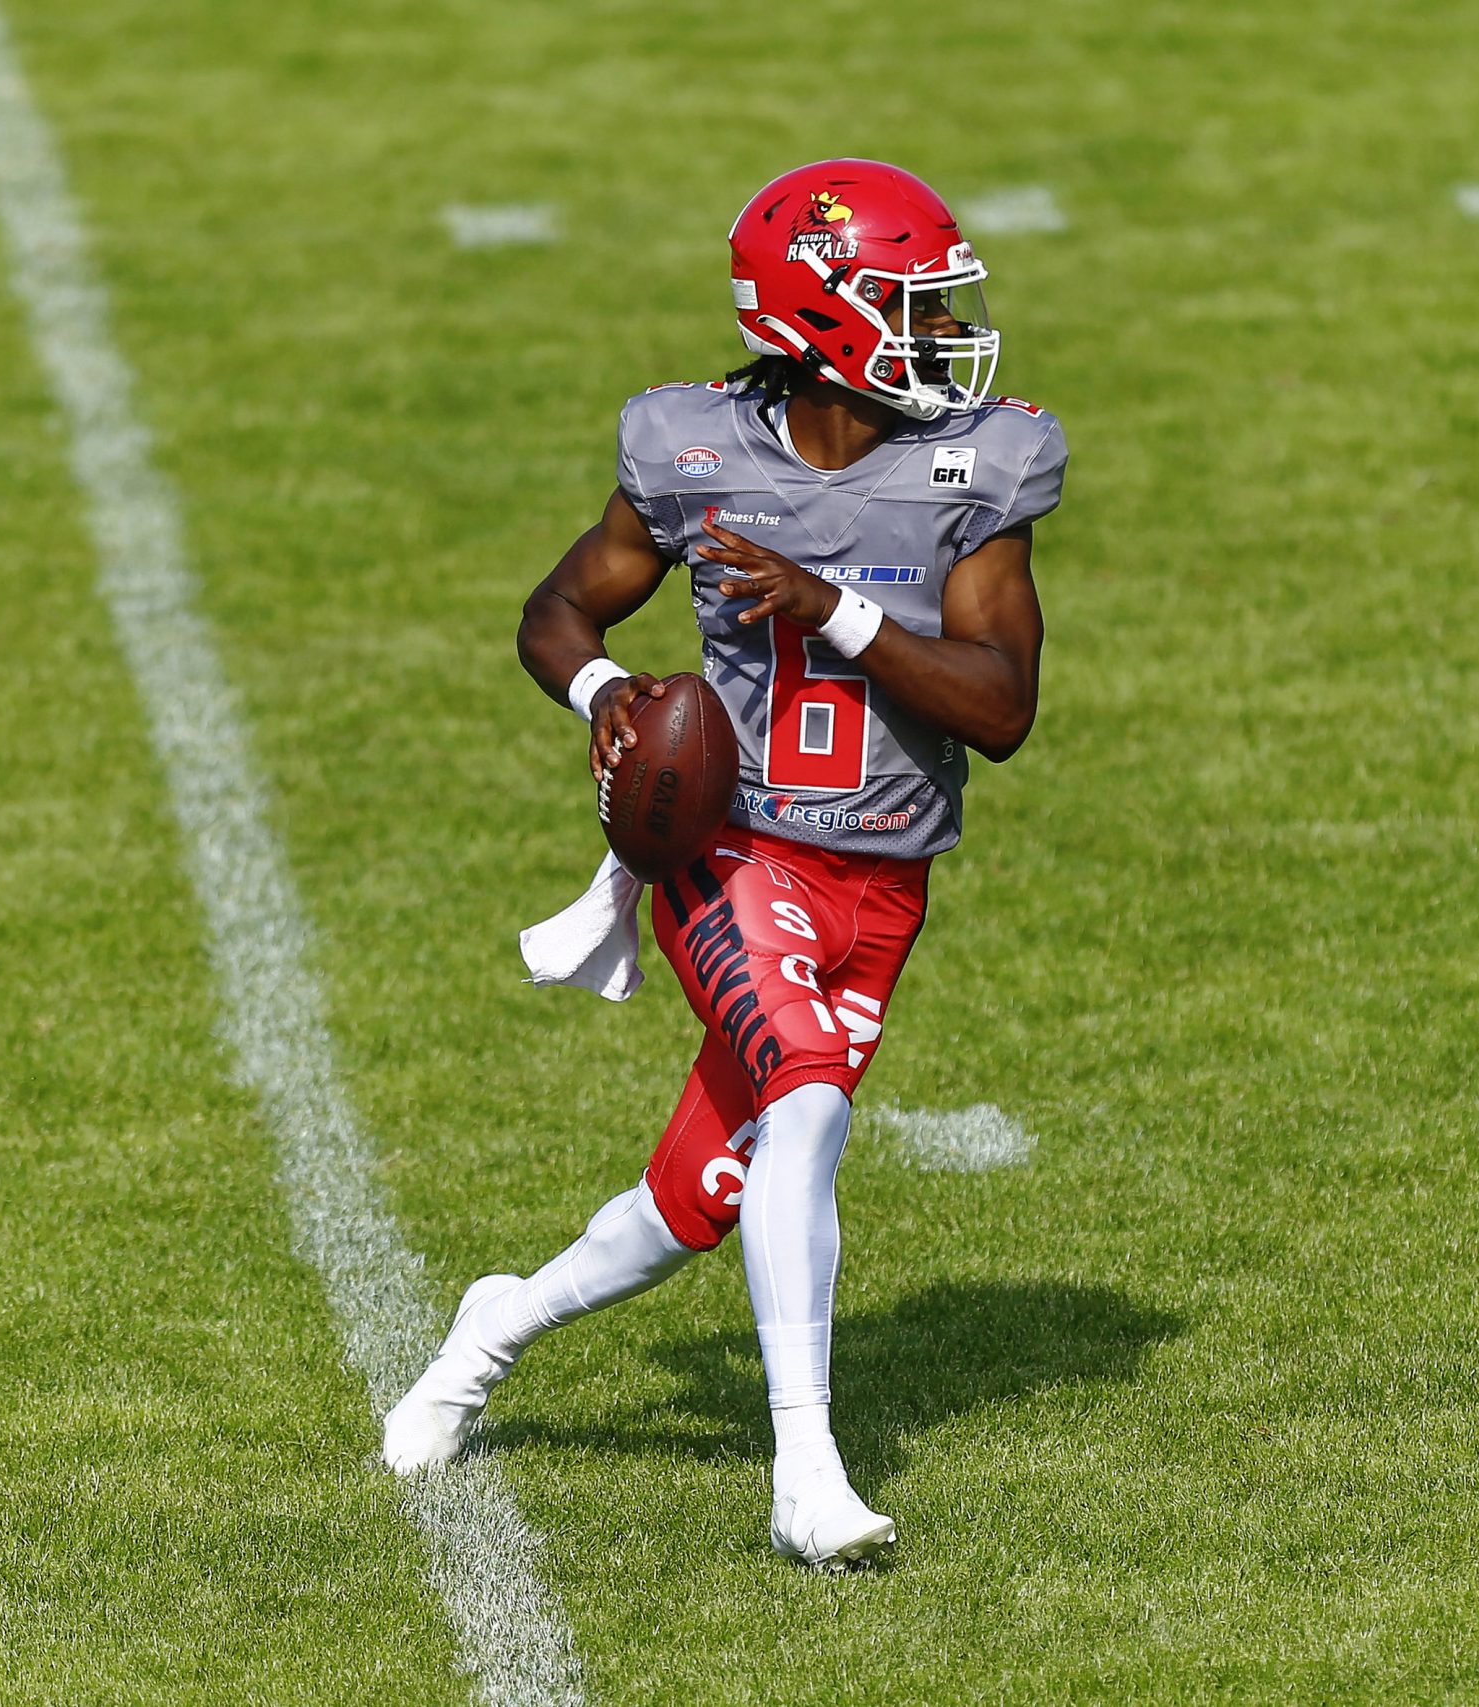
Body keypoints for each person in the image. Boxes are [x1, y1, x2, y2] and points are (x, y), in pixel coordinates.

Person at [383, 158, 1067, 1570]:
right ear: (821, 315)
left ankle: (493, 1327)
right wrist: (602, 694)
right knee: (808, 1110)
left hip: (883, 884)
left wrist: (838, 612)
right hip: (733, 852)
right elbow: (560, 610)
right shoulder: (693, 448)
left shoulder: (979, 467)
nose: (948, 334)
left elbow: (1001, 711)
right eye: (915, 305)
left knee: (701, 1200)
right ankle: (806, 1471)